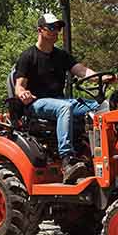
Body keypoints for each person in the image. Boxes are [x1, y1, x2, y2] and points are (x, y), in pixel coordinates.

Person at [13, 13, 111, 178]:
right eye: (51, 28)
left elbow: (81, 70)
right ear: (40, 30)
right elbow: (19, 87)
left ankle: (105, 154)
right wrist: (23, 94)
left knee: (103, 106)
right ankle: (67, 160)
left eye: (57, 28)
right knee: (65, 107)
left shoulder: (61, 56)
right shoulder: (28, 56)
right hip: (37, 103)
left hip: (60, 100)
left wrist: (100, 76)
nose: (55, 31)